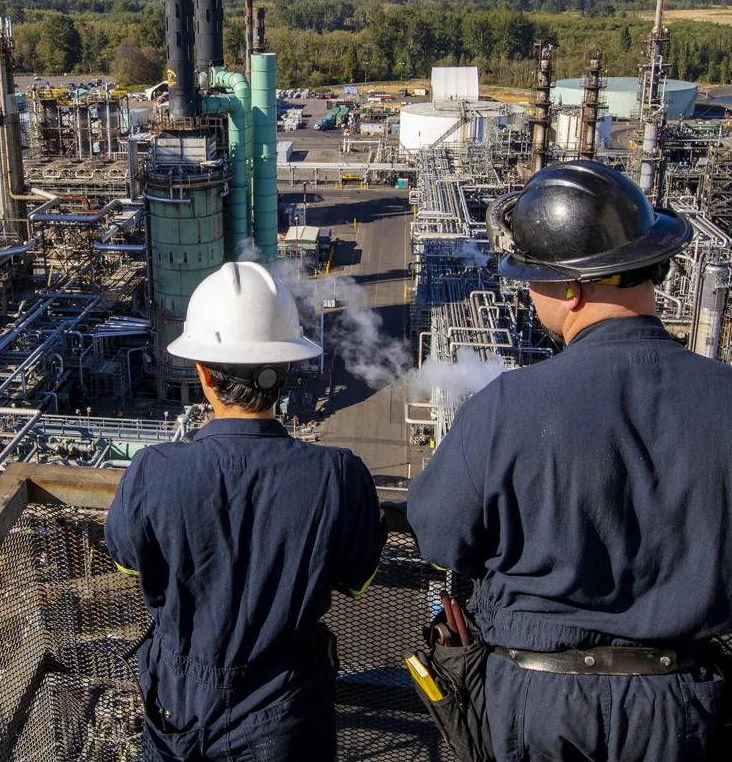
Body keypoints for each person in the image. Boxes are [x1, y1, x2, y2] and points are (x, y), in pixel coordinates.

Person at [410, 159, 729, 762]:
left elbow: (437, 534)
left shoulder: (508, 406)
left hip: (541, 703)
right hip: (681, 705)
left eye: (532, 277)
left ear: (572, 287)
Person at [106, 262, 384, 762]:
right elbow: (355, 577)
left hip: (179, 708)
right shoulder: (339, 475)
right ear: (287, 369)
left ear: (204, 373)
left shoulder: (152, 471)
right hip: (287, 709)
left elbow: (129, 560)